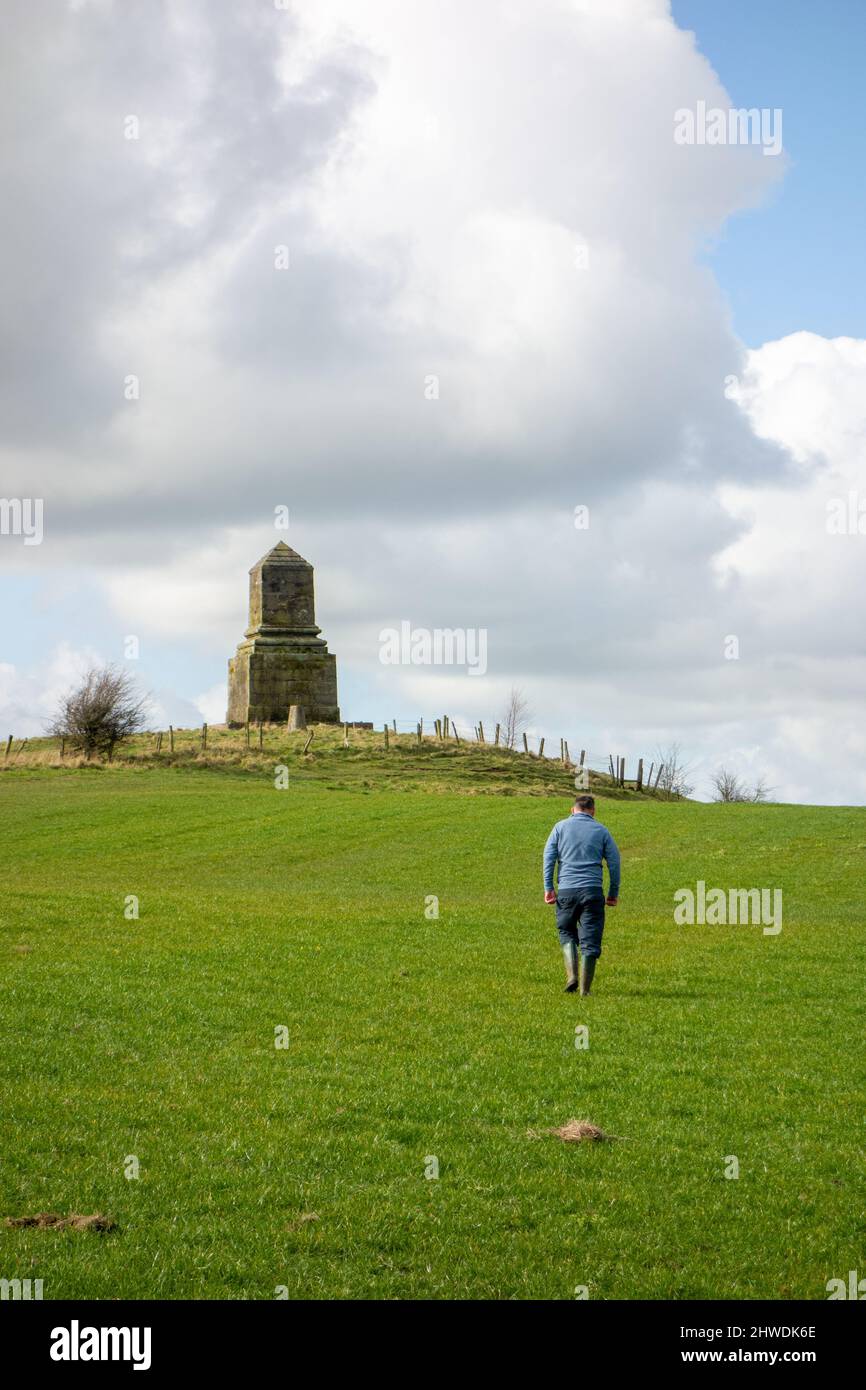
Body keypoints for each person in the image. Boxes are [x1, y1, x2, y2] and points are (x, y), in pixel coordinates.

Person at [542, 794, 620, 995]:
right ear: (593, 811)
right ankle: (585, 991)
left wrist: (548, 888)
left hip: (567, 890)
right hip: (592, 892)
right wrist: (613, 893)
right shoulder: (602, 830)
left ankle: (572, 976)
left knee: (566, 931)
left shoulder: (559, 827)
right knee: (590, 939)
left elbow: (548, 857)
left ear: (572, 809)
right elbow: (614, 863)